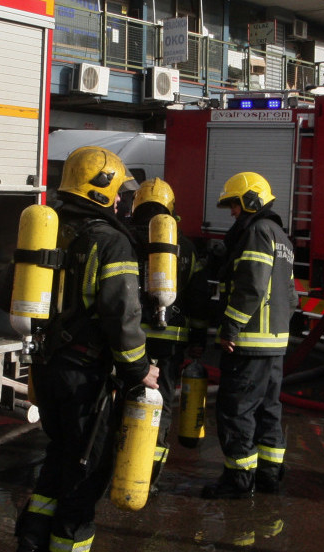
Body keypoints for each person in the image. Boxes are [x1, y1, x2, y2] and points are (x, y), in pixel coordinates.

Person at [14, 146, 159, 552]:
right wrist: (139, 369)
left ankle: (31, 540)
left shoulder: (49, 228)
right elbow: (121, 316)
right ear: (99, 191)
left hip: (45, 367)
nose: (120, 200)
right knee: (85, 474)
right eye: (116, 192)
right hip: (84, 380)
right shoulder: (111, 242)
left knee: (60, 455)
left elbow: (1, 291)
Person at [202, 171, 297, 499]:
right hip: (274, 345)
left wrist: (229, 327)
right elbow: (292, 297)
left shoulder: (256, 233)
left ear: (251, 202)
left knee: (237, 411)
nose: (232, 213)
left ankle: (238, 482)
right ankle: (269, 476)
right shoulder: (281, 237)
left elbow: (251, 287)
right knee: (269, 409)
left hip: (249, 343)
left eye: (235, 206)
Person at [128, 177, 207, 492]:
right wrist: (199, 340)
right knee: (160, 406)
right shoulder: (185, 247)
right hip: (169, 343)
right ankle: (150, 475)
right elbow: (199, 298)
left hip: (129, 340)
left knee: (122, 399)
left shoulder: (124, 240)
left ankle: (119, 465)